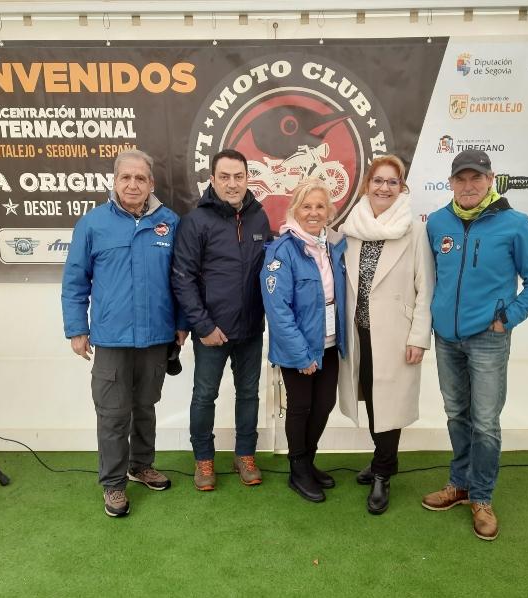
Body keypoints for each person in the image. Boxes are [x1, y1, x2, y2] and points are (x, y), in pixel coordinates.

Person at [422, 149, 528, 540]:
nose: (468, 186)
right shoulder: (438, 223)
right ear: (450, 183)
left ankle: (481, 496)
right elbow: (430, 277)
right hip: (447, 339)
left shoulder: (514, 225)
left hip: (488, 341)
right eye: (460, 179)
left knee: (486, 422)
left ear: (491, 180)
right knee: (456, 414)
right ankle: (459, 484)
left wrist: (507, 318)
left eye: (475, 178)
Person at [62, 149, 187, 518]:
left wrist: (181, 324)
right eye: (125, 178)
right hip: (112, 338)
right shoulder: (93, 224)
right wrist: (76, 329)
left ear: (151, 183)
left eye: (140, 178)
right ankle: (114, 484)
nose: (133, 185)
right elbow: (74, 281)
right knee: (114, 413)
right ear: (114, 181)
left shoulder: (170, 223)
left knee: (146, 405)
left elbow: (181, 280)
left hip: (156, 337)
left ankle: (141, 465)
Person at [337, 155, 434, 515]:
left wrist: (418, 337)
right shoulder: (352, 227)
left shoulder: (414, 230)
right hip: (359, 332)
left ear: (402, 187)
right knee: (373, 400)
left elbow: (426, 287)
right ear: (367, 185)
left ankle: (382, 473)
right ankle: (381, 460)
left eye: (392, 182)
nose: (384, 187)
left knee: (388, 405)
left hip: (396, 334)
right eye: (378, 180)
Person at [172, 149, 271, 491]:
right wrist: (203, 326)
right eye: (225, 177)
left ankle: (245, 455)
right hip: (211, 331)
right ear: (212, 180)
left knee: (249, 395)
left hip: (251, 330)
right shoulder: (196, 221)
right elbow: (182, 278)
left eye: (238, 177)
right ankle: (203, 460)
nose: (232, 184)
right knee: (204, 397)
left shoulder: (260, 218)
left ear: (247, 179)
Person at [261, 178, 347, 503]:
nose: (313, 212)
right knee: (301, 407)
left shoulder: (332, 245)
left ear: (329, 211)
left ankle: (308, 463)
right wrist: (301, 355)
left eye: (320, 206)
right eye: (307, 206)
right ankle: (297, 470)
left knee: (324, 405)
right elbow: (277, 309)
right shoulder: (282, 251)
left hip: (329, 345)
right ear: (295, 209)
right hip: (299, 349)